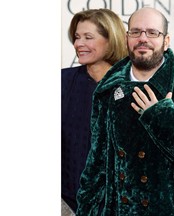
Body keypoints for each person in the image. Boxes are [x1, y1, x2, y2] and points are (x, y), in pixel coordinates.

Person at [76, 7, 174, 216]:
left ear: (166, 41)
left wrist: (163, 118)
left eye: (152, 32)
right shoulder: (108, 91)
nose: (142, 38)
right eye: (135, 32)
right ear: (127, 38)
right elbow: (95, 168)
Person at [61, 8, 127, 213]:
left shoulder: (133, 86)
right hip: (67, 203)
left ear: (111, 40)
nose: (79, 44)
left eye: (88, 37)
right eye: (77, 37)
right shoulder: (61, 82)